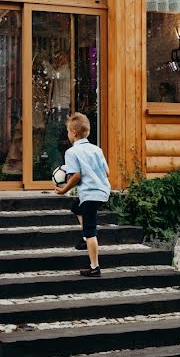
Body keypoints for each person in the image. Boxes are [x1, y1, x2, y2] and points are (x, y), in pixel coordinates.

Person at [54, 112, 110, 277]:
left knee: (90, 230)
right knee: (76, 208)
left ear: (74, 133)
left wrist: (63, 190)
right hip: (101, 191)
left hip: (90, 194)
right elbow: (106, 172)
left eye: (68, 131)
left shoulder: (71, 152)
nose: (67, 134)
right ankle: (86, 239)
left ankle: (95, 267)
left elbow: (76, 176)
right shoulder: (97, 149)